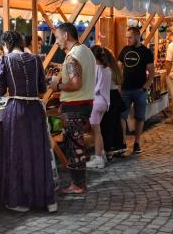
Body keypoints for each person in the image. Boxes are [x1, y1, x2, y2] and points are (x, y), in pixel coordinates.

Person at [0, 31, 56, 212]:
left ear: (6, 43)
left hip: (16, 109)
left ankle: (20, 201)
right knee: (38, 153)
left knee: (17, 153)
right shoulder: (36, 59)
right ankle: (46, 200)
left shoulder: (4, 60)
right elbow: (42, 88)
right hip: (35, 109)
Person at [48, 22, 96, 194]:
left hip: (74, 106)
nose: (56, 42)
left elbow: (76, 83)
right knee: (78, 144)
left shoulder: (71, 56)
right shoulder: (86, 51)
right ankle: (79, 182)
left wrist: (57, 86)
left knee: (74, 146)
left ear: (66, 36)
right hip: (85, 104)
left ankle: (77, 184)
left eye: (57, 37)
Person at [118, 26, 154, 154]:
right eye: (126, 37)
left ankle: (137, 143)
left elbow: (151, 72)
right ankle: (122, 143)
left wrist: (145, 87)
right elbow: (118, 67)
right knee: (121, 116)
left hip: (139, 90)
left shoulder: (146, 52)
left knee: (139, 117)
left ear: (138, 36)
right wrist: (118, 83)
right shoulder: (125, 50)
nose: (127, 39)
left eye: (130, 37)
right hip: (125, 90)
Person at [86, 45, 112, 169]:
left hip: (96, 102)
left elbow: (92, 87)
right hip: (105, 102)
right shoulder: (107, 69)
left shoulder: (95, 69)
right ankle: (101, 154)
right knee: (98, 130)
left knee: (96, 132)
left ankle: (98, 159)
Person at [100, 48, 127, 159]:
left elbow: (102, 86)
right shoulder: (115, 68)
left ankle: (108, 149)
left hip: (108, 95)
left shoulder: (105, 69)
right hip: (116, 96)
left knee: (107, 125)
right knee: (115, 123)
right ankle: (119, 146)